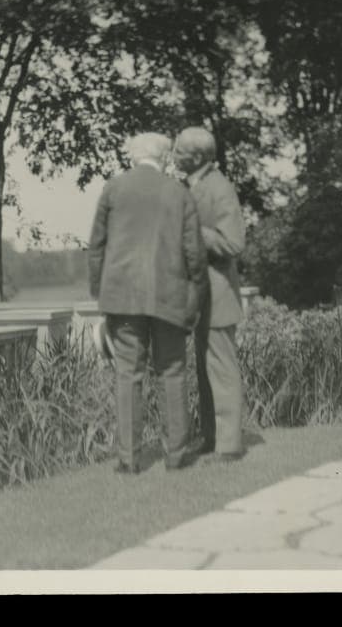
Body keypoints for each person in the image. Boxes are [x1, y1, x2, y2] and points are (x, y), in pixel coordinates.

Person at [89, 132, 209, 474]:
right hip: (169, 294)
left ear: (132, 155)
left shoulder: (114, 188)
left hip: (123, 296)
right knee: (172, 371)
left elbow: (97, 245)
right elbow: (195, 254)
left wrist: (101, 293)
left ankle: (128, 459)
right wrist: (194, 296)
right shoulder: (178, 191)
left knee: (128, 374)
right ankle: (176, 454)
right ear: (166, 157)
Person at [173, 127, 247, 464]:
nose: (173, 157)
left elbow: (233, 243)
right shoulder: (192, 186)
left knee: (221, 368)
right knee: (205, 370)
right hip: (201, 295)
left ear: (199, 157)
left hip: (218, 295)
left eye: (179, 152)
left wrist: (192, 230)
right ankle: (212, 437)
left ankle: (229, 446)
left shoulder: (220, 189)